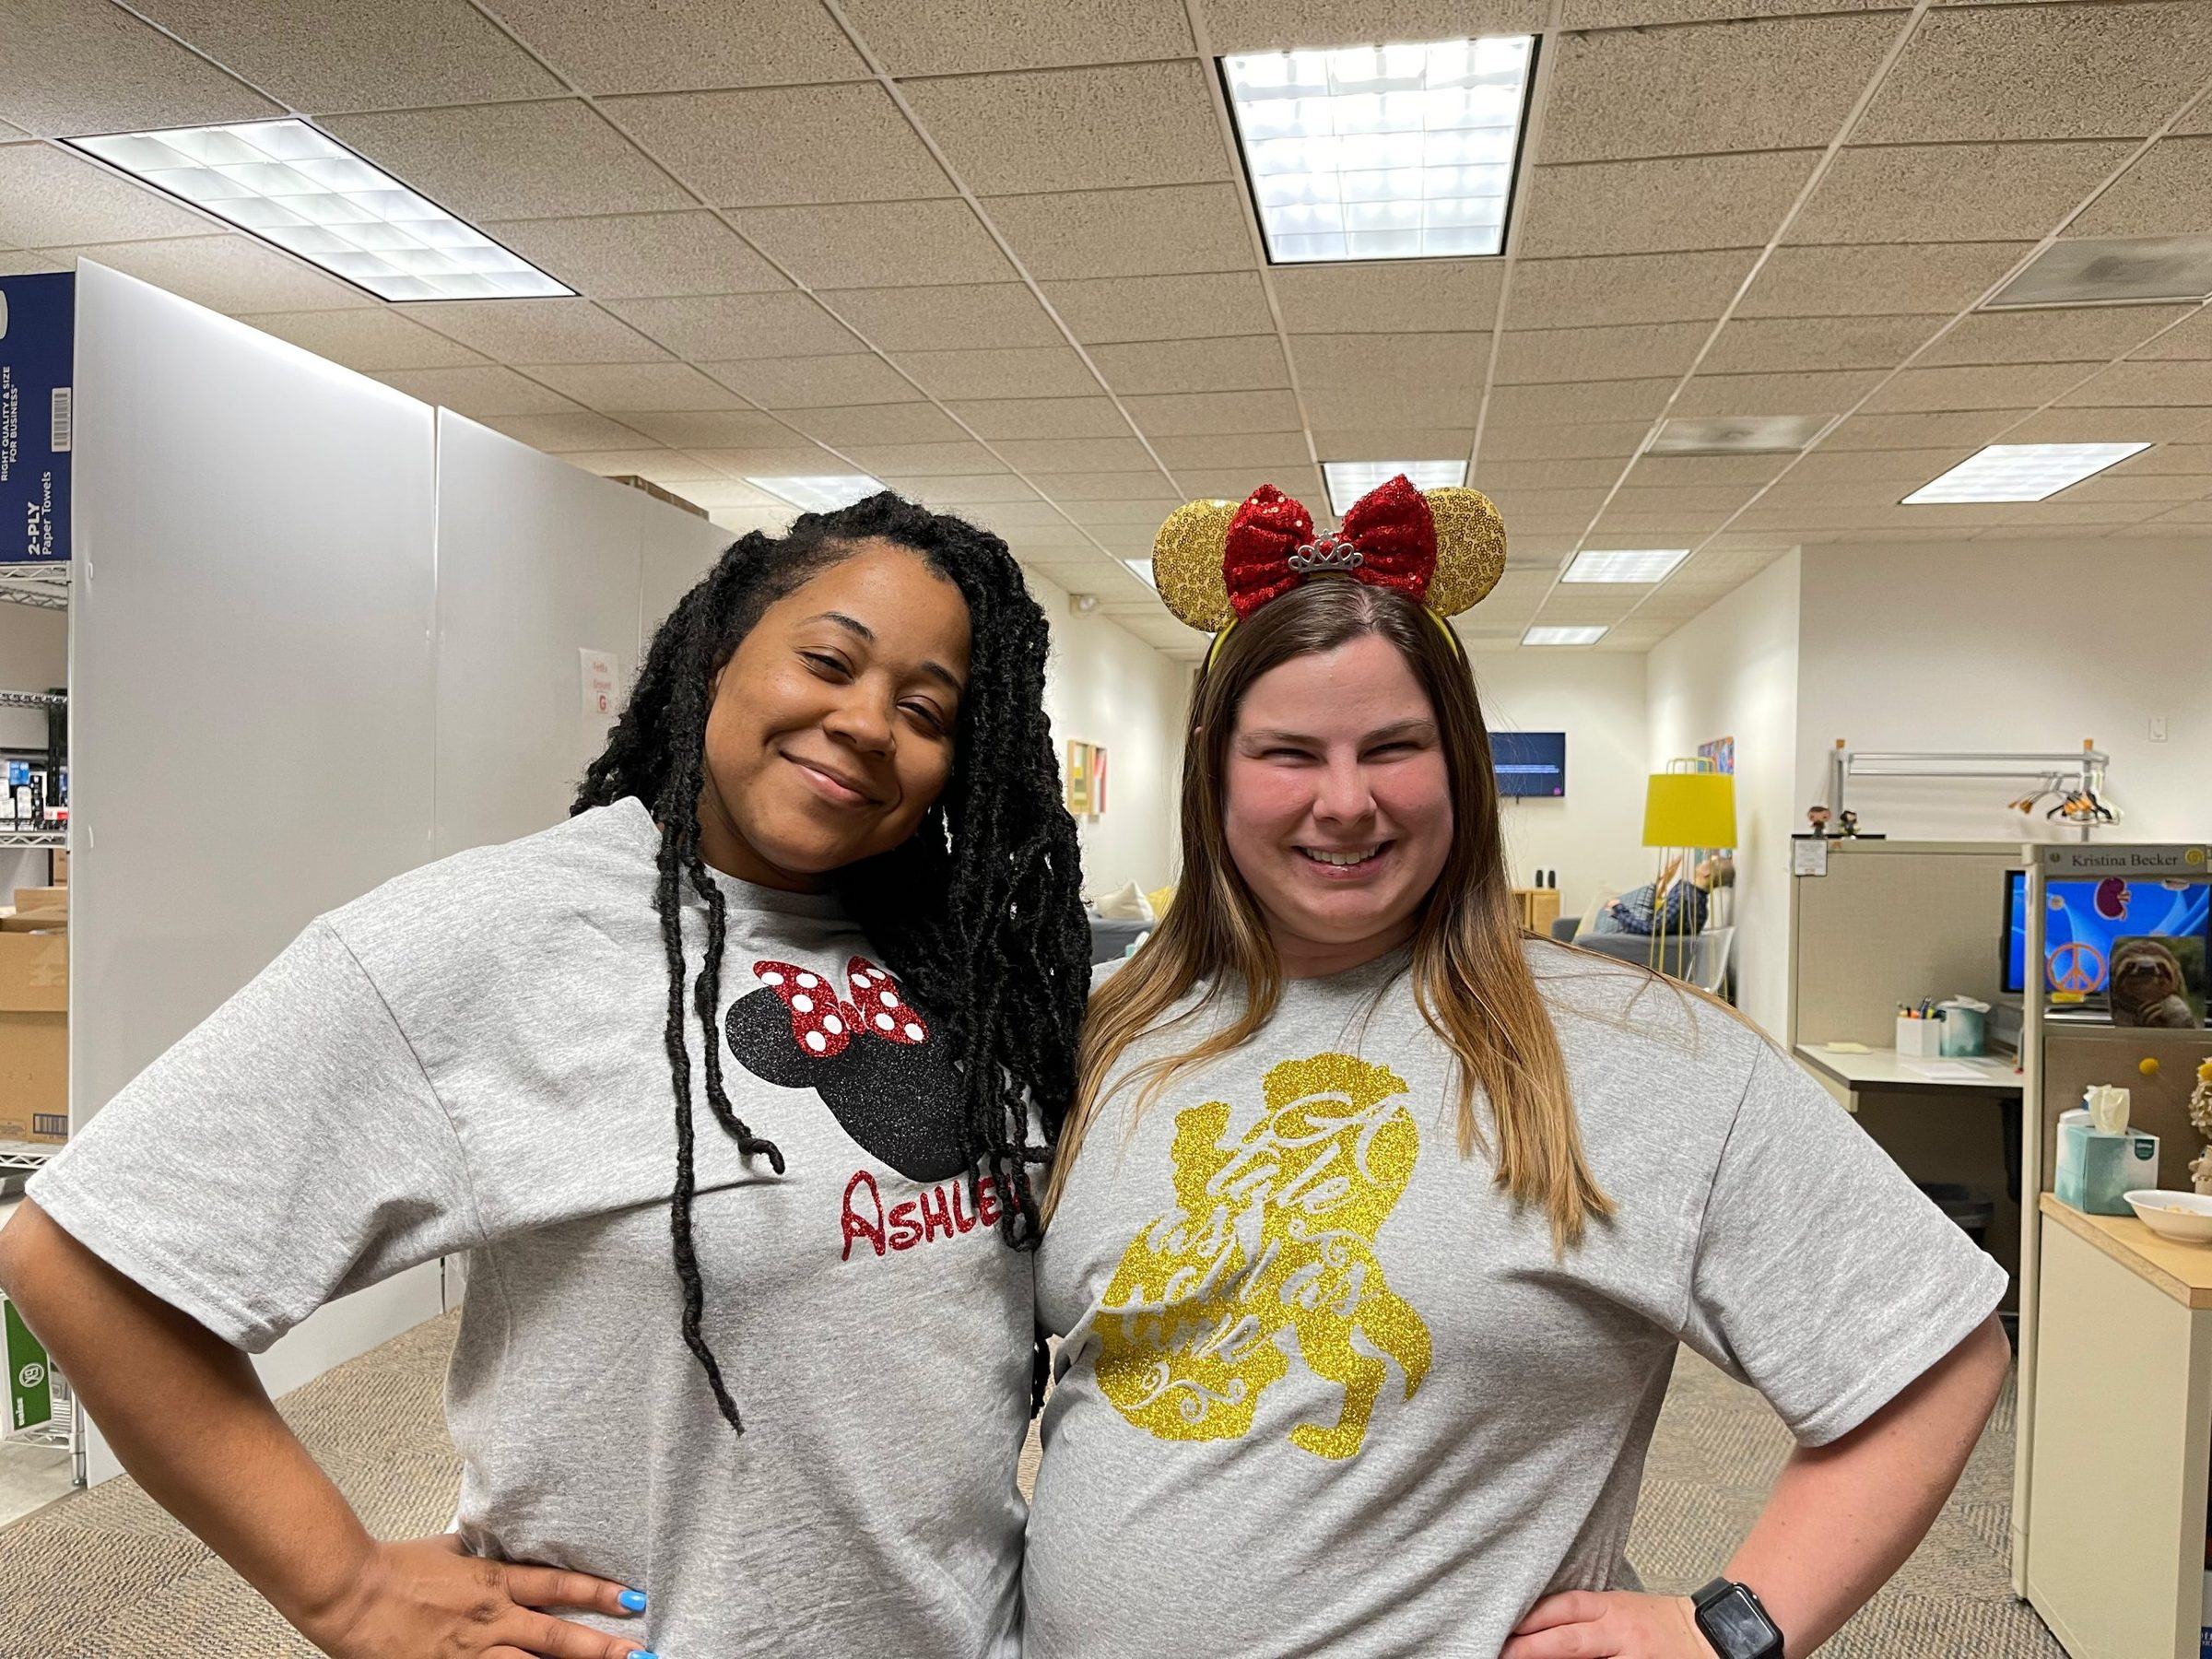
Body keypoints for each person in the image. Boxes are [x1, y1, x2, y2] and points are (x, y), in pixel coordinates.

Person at [0, 494, 1091, 1659]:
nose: (870, 722)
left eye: (927, 710)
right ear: (720, 655)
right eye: (829, 659)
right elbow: (77, 1257)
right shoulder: (497, 936)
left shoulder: (969, 966)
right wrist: (348, 1591)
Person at [1024, 476, 2010, 1658]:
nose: (1345, 802)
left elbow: (1937, 1349)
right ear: (1214, 773)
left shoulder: (1646, 1051)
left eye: (1393, 747)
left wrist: (1733, 1629)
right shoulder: (1102, 1034)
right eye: (1289, 753)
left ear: (1463, 766)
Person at [1586, 853, 1733, 937]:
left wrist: (1619, 910)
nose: (1701, 861)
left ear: (1706, 873)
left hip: (1639, 949)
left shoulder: (1685, 897)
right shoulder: (1697, 901)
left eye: (1706, 861)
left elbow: (1651, 929)